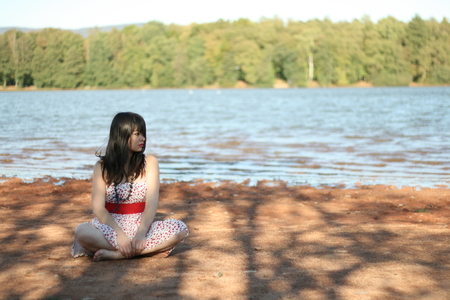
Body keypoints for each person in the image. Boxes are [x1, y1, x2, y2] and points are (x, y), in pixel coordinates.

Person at [71, 112, 188, 261]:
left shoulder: (150, 162)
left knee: (180, 229)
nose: (143, 138)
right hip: (111, 227)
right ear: (122, 135)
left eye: (143, 134)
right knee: (82, 231)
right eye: (137, 134)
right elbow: (98, 207)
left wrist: (141, 234)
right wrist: (120, 235)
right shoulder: (102, 166)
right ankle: (145, 251)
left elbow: (151, 203)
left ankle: (118, 254)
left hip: (142, 225)